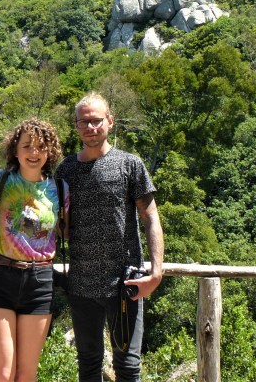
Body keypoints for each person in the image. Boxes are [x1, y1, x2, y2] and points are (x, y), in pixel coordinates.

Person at [54, 92, 164, 382]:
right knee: (88, 365)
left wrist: (156, 271)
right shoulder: (65, 170)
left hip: (125, 283)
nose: (90, 127)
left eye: (96, 120)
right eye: (84, 122)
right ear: (76, 126)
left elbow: (151, 216)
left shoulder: (130, 164)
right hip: (81, 284)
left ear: (110, 121)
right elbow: (59, 225)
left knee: (127, 366)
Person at [0, 118, 69, 382]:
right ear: (15, 150)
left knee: (27, 373)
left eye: (41, 147)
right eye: (27, 145)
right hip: (0, 276)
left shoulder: (60, 190)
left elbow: (67, 231)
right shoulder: (0, 180)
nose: (34, 153)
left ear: (50, 151)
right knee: (3, 373)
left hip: (40, 281)